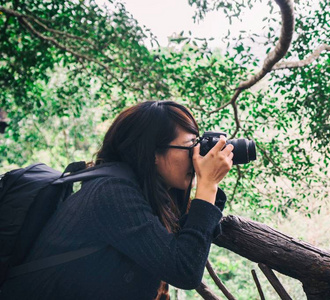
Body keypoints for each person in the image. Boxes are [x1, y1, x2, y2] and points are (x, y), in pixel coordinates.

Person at [0, 100, 234, 299]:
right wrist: (207, 184)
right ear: (152, 153)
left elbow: (186, 243)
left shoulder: (147, 191)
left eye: (198, 145)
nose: (197, 156)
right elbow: (184, 269)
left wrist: (208, 188)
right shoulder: (112, 193)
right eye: (189, 147)